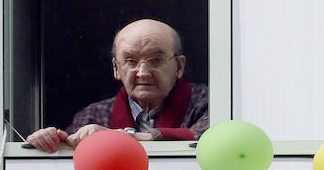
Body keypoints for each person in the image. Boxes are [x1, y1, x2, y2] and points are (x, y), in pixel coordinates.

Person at [26, 18, 208, 152]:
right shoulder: (93, 116)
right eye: (130, 61)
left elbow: (209, 138)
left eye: (156, 60)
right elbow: (70, 164)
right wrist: (49, 141)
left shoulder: (205, 102)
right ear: (116, 68)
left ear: (179, 66)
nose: (143, 72)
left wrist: (120, 137)